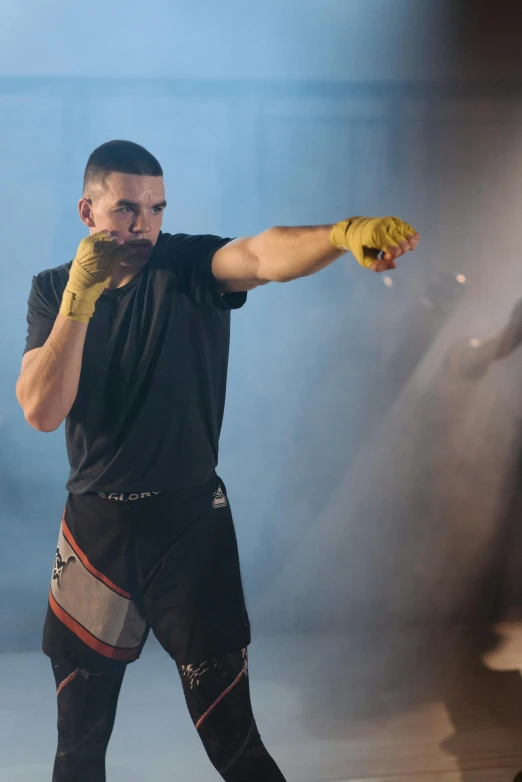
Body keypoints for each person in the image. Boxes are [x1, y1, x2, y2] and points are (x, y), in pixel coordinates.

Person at [15, 139, 419, 782]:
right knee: (77, 753)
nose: (143, 223)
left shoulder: (188, 264)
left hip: (189, 524)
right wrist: (78, 301)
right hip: (96, 531)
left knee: (237, 748)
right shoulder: (51, 289)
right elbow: (40, 410)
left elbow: (262, 253)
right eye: (125, 208)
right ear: (87, 210)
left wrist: (343, 235)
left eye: (156, 208)